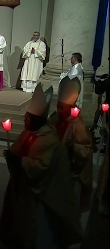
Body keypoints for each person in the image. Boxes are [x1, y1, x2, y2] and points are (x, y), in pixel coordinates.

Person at [0, 83, 82, 249]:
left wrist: (20, 161)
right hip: (22, 192)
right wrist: (12, 157)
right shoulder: (29, 133)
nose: (24, 119)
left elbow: (40, 168)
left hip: (39, 199)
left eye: (27, 116)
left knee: (40, 236)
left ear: (35, 119)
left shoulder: (48, 140)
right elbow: (16, 152)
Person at [51, 76, 93, 214]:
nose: (59, 110)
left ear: (71, 108)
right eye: (58, 106)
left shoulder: (78, 125)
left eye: (62, 108)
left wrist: (72, 147)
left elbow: (84, 150)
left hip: (70, 170)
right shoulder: (55, 119)